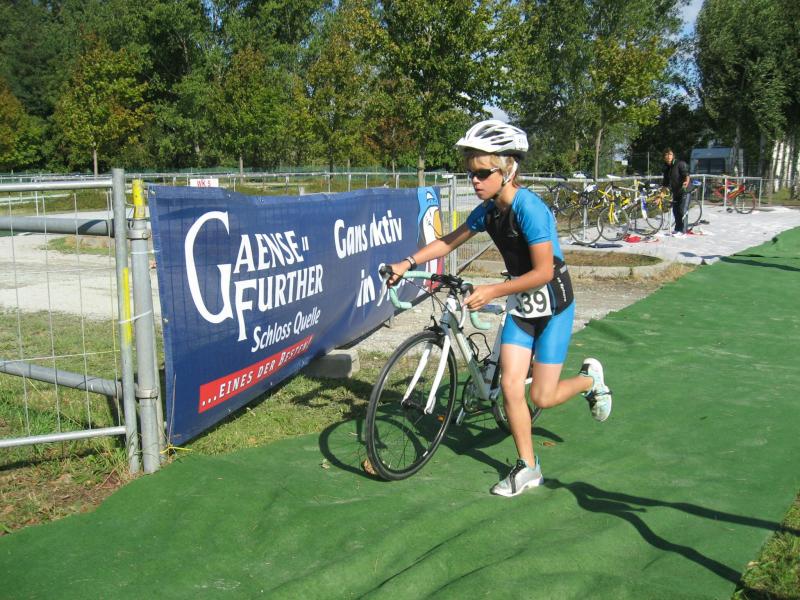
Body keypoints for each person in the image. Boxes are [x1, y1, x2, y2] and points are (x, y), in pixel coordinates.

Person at [385, 119, 613, 497]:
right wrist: (406, 263)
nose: (474, 180)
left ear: (508, 170)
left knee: (542, 397)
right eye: (470, 173)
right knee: (510, 387)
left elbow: (543, 272)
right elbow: (448, 241)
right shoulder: (488, 210)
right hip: (522, 305)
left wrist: (492, 290)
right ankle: (529, 467)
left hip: (554, 305)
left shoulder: (530, 209)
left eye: (482, 173)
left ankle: (590, 381)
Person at [661, 147, 690, 236]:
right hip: (676, 191)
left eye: (670, 154)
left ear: (673, 156)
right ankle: (677, 229)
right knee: (675, 210)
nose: (668, 156)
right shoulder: (666, 168)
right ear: (664, 157)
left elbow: (687, 175)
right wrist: (660, 195)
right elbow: (665, 184)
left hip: (685, 190)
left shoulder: (679, 164)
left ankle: (683, 231)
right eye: (666, 154)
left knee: (682, 210)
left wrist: (686, 181)